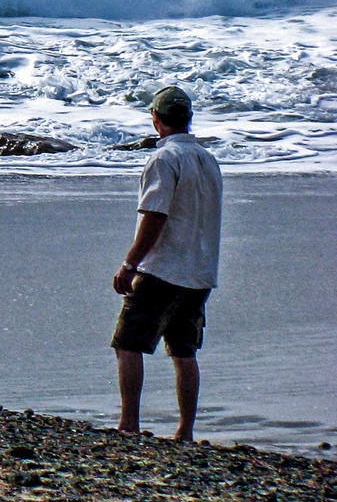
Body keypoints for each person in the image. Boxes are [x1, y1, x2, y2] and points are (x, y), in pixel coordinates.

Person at [110, 85, 222, 441]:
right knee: (184, 351)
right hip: (200, 269)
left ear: (156, 120)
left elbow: (154, 216)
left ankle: (129, 423)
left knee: (128, 343)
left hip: (164, 267)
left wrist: (130, 264)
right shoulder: (208, 159)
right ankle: (185, 431)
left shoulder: (163, 159)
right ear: (188, 119)